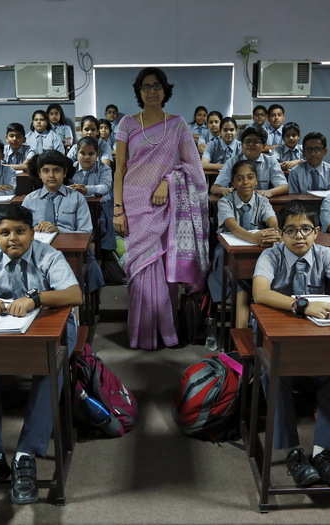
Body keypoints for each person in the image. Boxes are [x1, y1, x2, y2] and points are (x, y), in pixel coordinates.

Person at [0, 204, 82, 505]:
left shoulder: (49, 256)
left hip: (54, 327)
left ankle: (26, 455)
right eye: (4, 233)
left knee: (50, 369)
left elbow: (74, 295)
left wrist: (36, 298)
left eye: (20, 231)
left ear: (32, 233)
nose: (13, 239)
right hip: (6, 329)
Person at [252, 202, 330, 487]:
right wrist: (300, 305)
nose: (299, 236)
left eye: (305, 229)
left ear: (316, 232)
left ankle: (324, 452)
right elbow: (260, 293)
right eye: (291, 230)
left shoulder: (325, 254)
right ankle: (292, 452)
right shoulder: (271, 255)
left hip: (316, 333)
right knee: (273, 372)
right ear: (280, 233)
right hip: (276, 333)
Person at [112, 67, 209, 350]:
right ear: (138, 92)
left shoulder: (178, 124)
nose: (152, 91)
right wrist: (118, 210)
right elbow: (119, 170)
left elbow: (195, 170)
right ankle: (141, 335)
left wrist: (169, 181)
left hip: (167, 205)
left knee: (163, 272)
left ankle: (165, 333)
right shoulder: (127, 124)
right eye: (146, 86)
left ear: (165, 91)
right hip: (133, 203)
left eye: (157, 86)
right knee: (140, 272)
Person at [207, 160, 279, 328]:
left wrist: (272, 231)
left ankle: (251, 294)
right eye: (239, 178)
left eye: (249, 177)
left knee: (266, 258)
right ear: (232, 182)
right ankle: (231, 298)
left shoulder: (262, 200)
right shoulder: (226, 201)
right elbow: (233, 226)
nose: (245, 182)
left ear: (256, 181)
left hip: (254, 249)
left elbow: (272, 221)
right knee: (230, 268)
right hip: (228, 249)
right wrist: (253, 238)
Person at [23, 151, 104, 293]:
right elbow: (21, 231)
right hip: (38, 255)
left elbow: (87, 233)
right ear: (39, 174)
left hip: (71, 255)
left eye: (57, 170)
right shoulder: (29, 200)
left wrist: (59, 231)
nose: (51, 175)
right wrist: (32, 230)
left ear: (65, 173)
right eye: (46, 171)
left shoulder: (77, 198)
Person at [210, 127, 288, 198]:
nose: (251, 144)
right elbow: (214, 188)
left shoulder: (271, 162)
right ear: (241, 145)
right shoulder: (232, 162)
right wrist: (224, 190)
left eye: (256, 142)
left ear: (264, 146)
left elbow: (284, 187)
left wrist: (270, 192)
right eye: (248, 141)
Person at [70, 136, 114, 250]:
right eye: (82, 153)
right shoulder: (70, 168)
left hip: (99, 208)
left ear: (97, 154)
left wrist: (87, 189)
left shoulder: (104, 168)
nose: (86, 157)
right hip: (76, 207)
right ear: (77, 153)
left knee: (101, 224)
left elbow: (105, 187)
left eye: (91, 153)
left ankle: (101, 254)